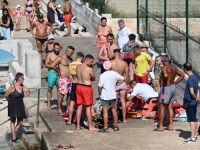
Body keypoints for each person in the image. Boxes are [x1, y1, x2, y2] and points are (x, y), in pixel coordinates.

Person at [154, 55, 184, 131]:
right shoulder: (174, 67)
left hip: (165, 88)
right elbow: (182, 75)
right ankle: (170, 125)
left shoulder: (164, 67)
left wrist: (165, 81)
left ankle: (160, 127)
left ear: (163, 61)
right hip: (172, 87)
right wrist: (174, 82)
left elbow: (166, 75)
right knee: (170, 107)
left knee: (162, 107)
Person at [98, 61, 124, 132]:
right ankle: (116, 126)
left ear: (103, 67)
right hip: (113, 95)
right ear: (110, 66)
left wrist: (100, 94)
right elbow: (123, 78)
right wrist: (117, 84)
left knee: (105, 112)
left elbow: (99, 87)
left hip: (105, 95)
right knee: (114, 111)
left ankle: (105, 127)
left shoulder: (102, 75)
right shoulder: (114, 74)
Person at [5, 73, 30, 143]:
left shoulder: (22, 86)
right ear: (19, 79)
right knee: (13, 120)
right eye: (23, 78)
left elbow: (27, 90)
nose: (23, 79)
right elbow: (6, 95)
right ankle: (14, 137)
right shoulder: (13, 86)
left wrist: (27, 92)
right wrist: (9, 101)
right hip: (12, 104)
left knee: (20, 122)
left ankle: (14, 135)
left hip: (20, 105)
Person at [76, 54, 98, 131]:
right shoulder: (89, 69)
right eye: (91, 62)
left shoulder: (77, 67)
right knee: (88, 107)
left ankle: (78, 126)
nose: (92, 63)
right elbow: (93, 78)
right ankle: (90, 126)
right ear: (87, 60)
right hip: (86, 88)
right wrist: (91, 69)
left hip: (78, 86)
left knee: (79, 107)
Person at [51, 46, 75, 115]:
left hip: (69, 79)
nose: (71, 55)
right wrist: (58, 71)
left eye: (72, 53)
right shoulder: (60, 58)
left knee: (69, 94)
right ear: (67, 51)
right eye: (71, 53)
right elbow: (53, 65)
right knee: (61, 94)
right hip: (63, 78)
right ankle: (59, 109)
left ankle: (68, 108)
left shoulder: (70, 59)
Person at [183, 63, 200, 143]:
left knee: (191, 121)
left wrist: (195, 98)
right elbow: (198, 90)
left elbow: (192, 92)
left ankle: (192, 137)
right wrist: (197, 98)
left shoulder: (190, 79)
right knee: (194, 119)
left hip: (190, 102)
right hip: (194, 102)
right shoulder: (195, 77)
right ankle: (194, 135)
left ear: (185, 69)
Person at [111, 49, 129, 123]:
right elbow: (127, 75)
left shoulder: (111, 63)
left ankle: (114, 118)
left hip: (113, 83)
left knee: (114, 101)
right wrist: (127, 84)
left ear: (113, 54)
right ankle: (124, 119)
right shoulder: (124, 63)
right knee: (123, 101)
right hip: (122, 83)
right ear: (119, 54)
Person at [66, 52, 84, 125]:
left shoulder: (71, 64)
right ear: (82, 57)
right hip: (79, 84)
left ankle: (70, 120)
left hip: (73, 83)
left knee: (71, 103)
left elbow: (70, 76)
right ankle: (81, 121)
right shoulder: (81, 65)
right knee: (80, 104)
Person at [45, 43, 62, 108]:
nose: (57, 50)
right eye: (56, 48)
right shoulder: (50, 55)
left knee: (59, 89)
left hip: (58, 73)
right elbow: (46, 65)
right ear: (53, 48)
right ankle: (49, 103)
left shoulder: (61, 55)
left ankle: (59, 103)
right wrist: (53, 67)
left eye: (58, 48)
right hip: (52, 73)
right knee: (49, 89)